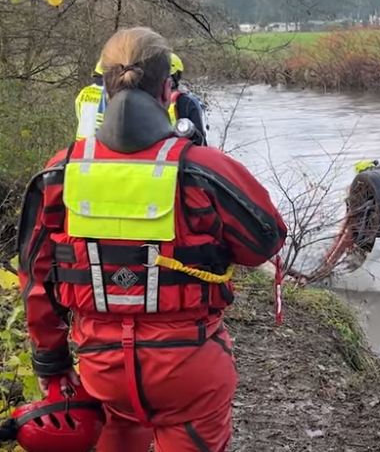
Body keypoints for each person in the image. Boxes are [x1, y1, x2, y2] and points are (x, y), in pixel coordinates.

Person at [16, 26, 288, 452]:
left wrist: (51, 364)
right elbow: (265, 242)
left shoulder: (59, 173)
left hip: (101, 369)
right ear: (167, 89)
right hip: (190, 367)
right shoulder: (202, 169)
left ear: (104, 86)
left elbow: (35, 278)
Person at [75, 52, 208, 146]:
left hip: (87, 151)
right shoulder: (185, 102)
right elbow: (201, 143)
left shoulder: (84, 94)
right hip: (174, 160)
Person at [168, 52, 209, 145]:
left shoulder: (145, 100)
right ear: (178, 76)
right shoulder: (188, 102)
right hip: (180, 155)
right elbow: (201, 143)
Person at [74, 59, 106, 141]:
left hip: (80, 140)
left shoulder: (84, 92)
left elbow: (79, 114)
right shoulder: (108, 94)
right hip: (97, 141)